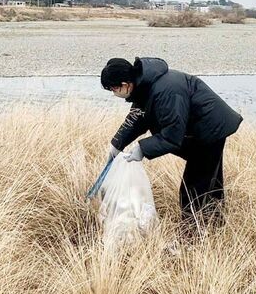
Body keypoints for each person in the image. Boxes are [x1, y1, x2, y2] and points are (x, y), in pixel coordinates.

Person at [101, 56, 242, 229]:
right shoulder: (143, 86)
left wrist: (142, 148)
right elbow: (138, 117)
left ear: (124, 84)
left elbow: (172, 135)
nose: (114, 94)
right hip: (198, 130)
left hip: (209, 130)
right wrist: (117, 143)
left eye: (114, 89)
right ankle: (215, 225)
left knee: (193, 189)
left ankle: (192, 236)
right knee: (209, 179)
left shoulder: (166, 91)